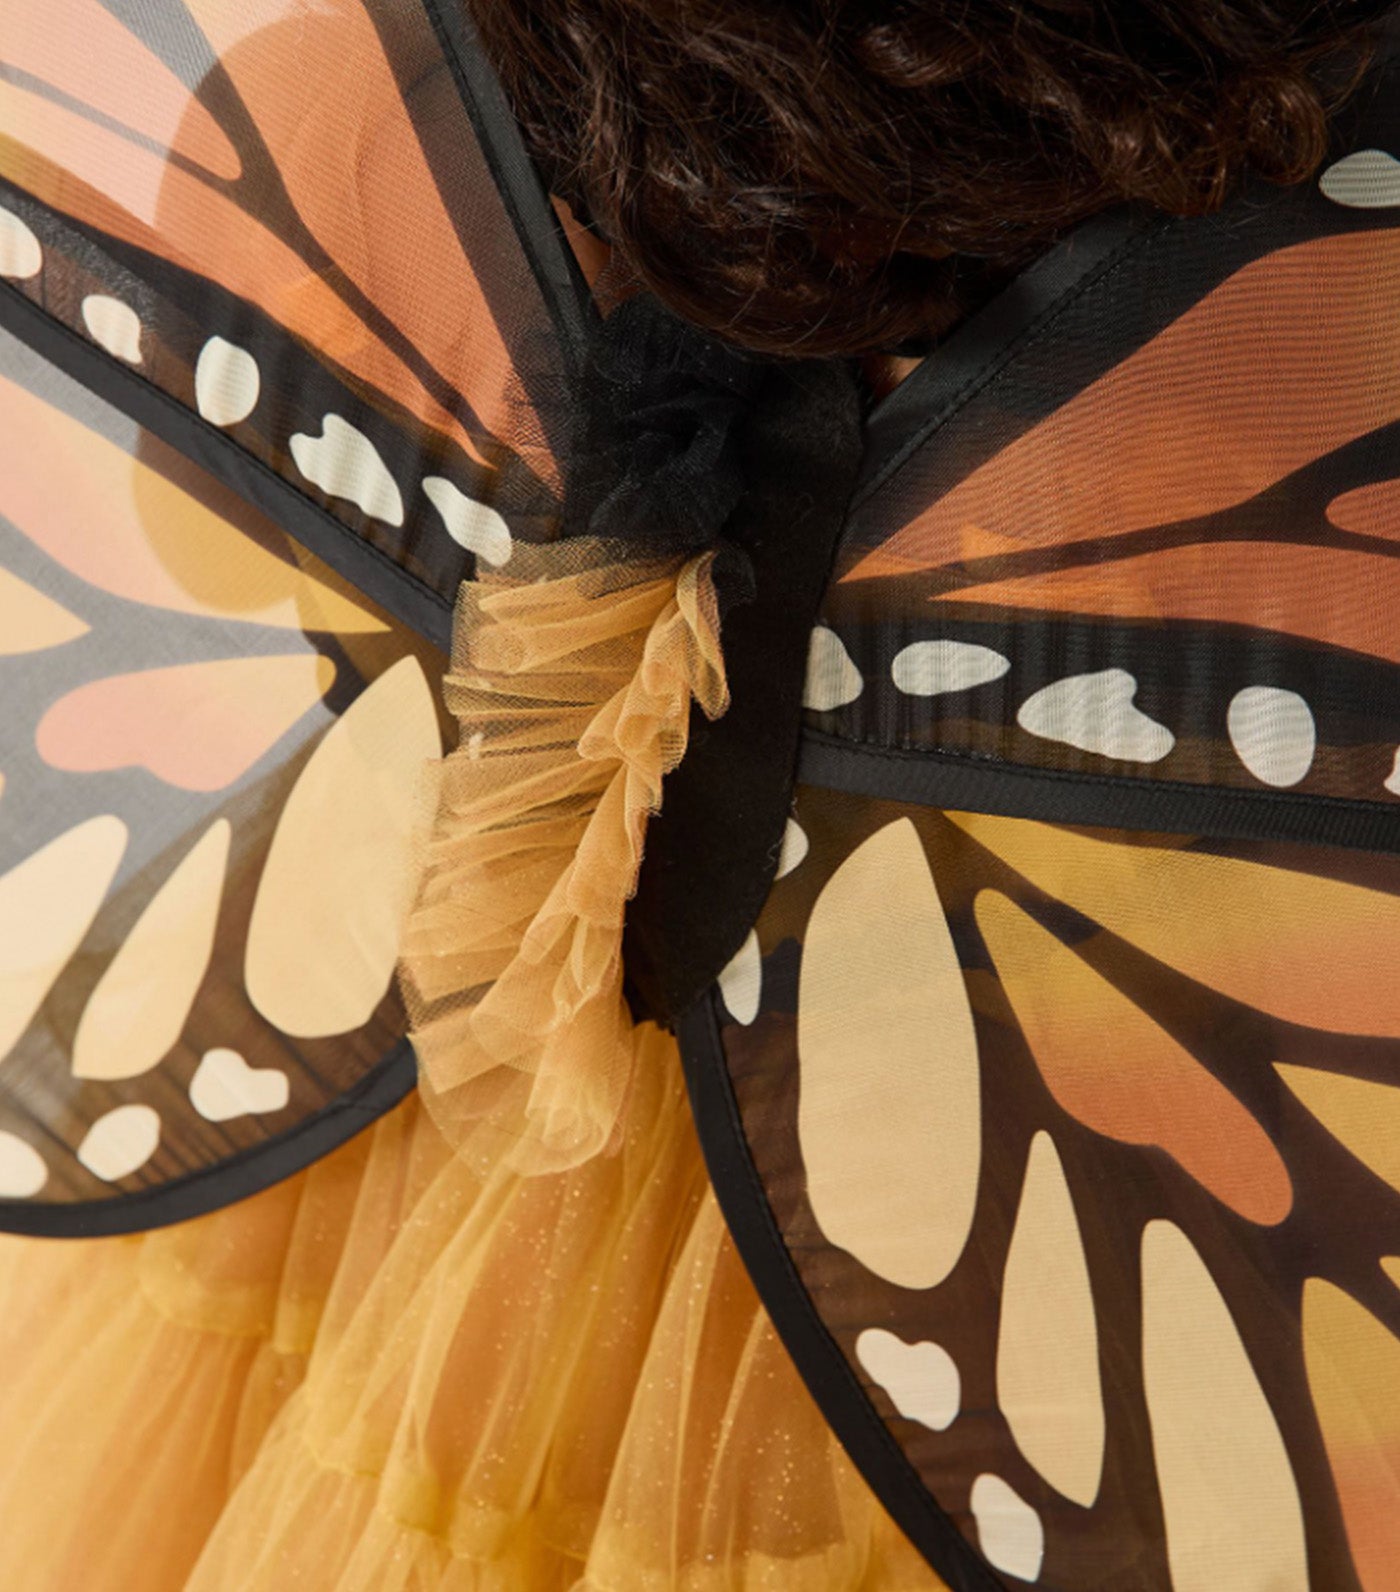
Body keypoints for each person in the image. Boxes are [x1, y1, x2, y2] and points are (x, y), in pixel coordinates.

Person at [0, 3, 1398, 1588]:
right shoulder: (1329, 316)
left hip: (414, 1046)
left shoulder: (375, 90)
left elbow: (182, 506)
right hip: (1072, 1161)